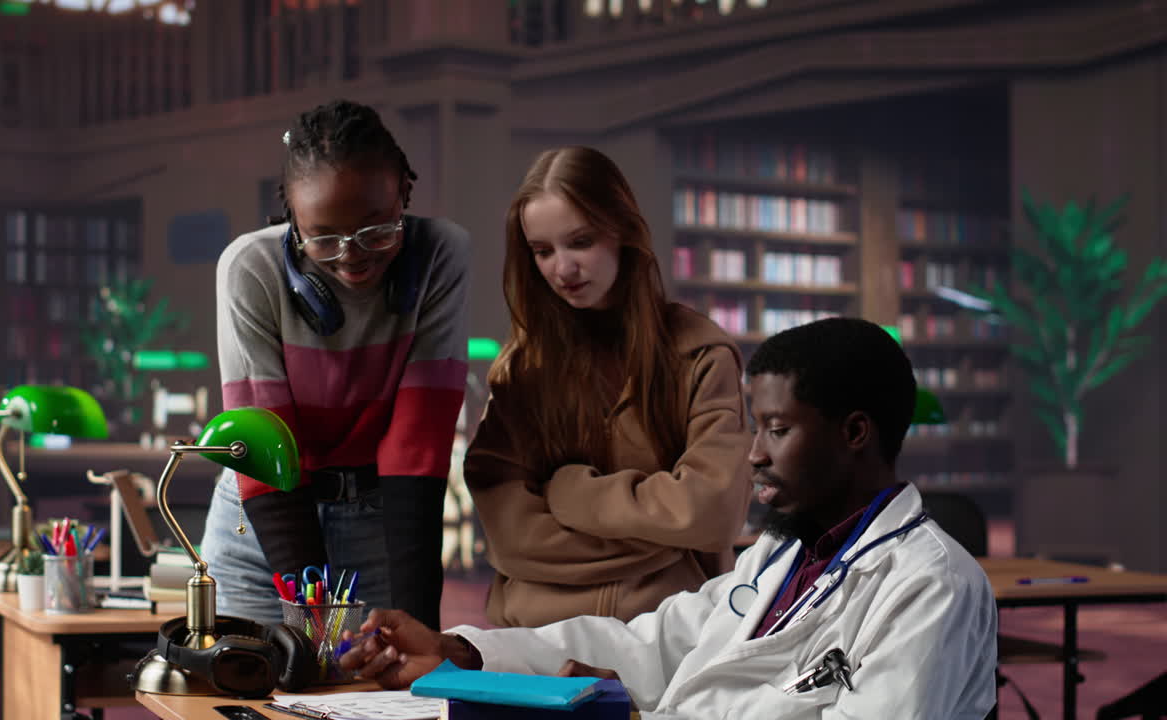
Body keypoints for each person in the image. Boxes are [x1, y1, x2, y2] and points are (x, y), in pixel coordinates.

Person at [341, 317, 998, 719]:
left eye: (777, 429)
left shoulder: (929, 586)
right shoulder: (781, 556)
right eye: (755, 428)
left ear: (856, 432)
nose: (756, 454)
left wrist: (629, 715)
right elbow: (648, 646)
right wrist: (459, 651)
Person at [202, 99, 469, 629]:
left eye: (376, 231)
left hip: (377, 521)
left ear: (403, 197)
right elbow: (266, 444)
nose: (351, 256)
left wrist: (420, 630)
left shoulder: (441, 253)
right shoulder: (249, 268)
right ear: (292, 221)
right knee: (256, 691)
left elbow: (417, 443)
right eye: (322, 237)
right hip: (261, 522)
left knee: (386, 693)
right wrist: (312, 616)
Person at [463, 146, 752, 627]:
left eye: (580, 241)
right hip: (535, 640)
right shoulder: (522, 368)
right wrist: (661, 539)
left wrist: (572, 494)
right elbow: (508, 532)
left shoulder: (699, 354)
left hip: (664, 636)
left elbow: (713, 511)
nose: (563, 269)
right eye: (543, 251)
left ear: (622, 231)